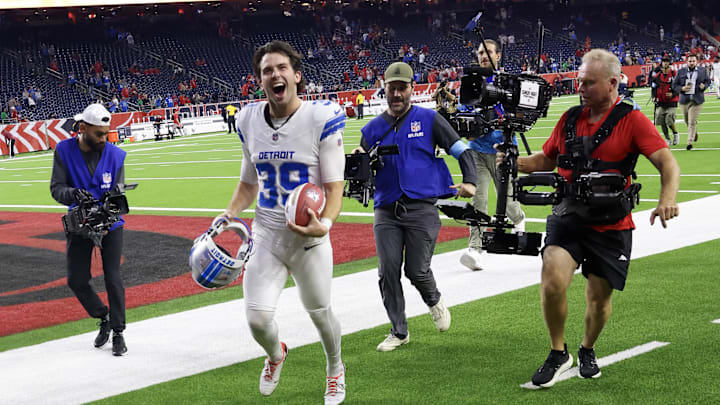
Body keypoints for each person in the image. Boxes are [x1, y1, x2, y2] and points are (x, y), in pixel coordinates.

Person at [496, 49, 679, 388]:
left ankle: (587, 348)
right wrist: (514, 162)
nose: (581, 88)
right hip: (568, 217)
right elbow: (546, 160)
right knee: (552, 278)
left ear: (612, 83)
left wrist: (667, 200)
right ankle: (557, 351)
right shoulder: (569, 118)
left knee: (599, 298)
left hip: (611, 223)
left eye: (589, 83)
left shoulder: (632, 120)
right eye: (580, 81)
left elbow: (668, 164)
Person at [218, 41, 346, 405]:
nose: (275, 74)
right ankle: (276, 354)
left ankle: (335, 368)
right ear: (259, 81)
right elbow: (248, 183)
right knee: (257, 320)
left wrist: (326, 223)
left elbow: (335, 186)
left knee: (320, 314)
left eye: (281, 68)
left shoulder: (318, 118)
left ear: (296, 75)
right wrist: (228, 215)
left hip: (309, 238)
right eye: (266, 70)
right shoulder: (248, 119)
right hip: (267, 235)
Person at [355, 62, 476, 352]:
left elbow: (461, 148)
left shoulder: (430, 119)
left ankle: (433, 299)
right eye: (391, 88)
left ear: (412, 88)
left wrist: (469, 180)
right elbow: (362, 170)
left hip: (422, 207)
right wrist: (358, 166)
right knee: (388, 271)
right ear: (383, 89)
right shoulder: (371, 129)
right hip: (386, 209)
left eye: (402, 88)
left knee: (416, 271)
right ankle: (399, 331)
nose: (396, 94)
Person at [50, 103, 129, 356]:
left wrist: (108, 216)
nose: (104, 139)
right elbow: (56, 188)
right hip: (79, 222)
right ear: (82, 128)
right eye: (99, 134)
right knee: (76, 280)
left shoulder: (116, 155)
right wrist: (72, 193)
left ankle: (118, 332)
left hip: (110, 224)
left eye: (106, 133)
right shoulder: (63, 150)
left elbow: (119, 193)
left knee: (113, 277)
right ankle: (102, 316)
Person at [460, 39, 526, 271]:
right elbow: (463, 113)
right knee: (478, 200)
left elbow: (521, 114)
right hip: (477, 151)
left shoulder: (508, 82)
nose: (483, 56)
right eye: (480, 52)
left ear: (499, 55)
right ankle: (475, 250)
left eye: (488, 52)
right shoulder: (470, 82)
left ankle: (519, 219)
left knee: (507, 202)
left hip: (502, 150)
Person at [672, 53, 710, 150]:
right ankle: (694, 132)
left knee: (692, 121)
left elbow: (708, 81)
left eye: (693, 61)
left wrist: (704, 86)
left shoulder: (702, 70)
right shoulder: (680, 72)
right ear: (687, 62)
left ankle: (689, 142)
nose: (692, 63)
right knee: (687, 121)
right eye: (690, 61)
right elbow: (674, 85)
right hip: (684, 100)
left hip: (697, 100)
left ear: (696, 61)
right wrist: (682, 88)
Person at [652, 57, 680, 145]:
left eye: (667, 62)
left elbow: (679, 86)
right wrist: (653, 96)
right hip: (661, 101)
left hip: (672, 101)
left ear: (669, 64)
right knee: (661, 120)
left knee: (669, 119)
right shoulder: (657, 76)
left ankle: (675, 133)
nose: (665, 64)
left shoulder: (674, 74)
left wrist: (673, 94)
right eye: (664, 62)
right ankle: (667, 138)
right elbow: (653, 87)